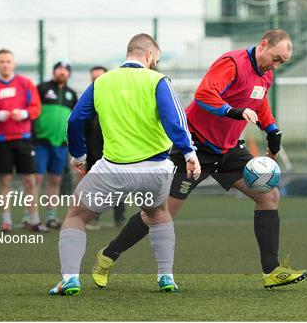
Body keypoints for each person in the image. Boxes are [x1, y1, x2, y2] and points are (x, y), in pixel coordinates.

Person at [91, 29, 307, 289]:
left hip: (227, 150)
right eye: (276, 58)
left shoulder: (266, 75)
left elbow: (259, 104)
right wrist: (232, 111)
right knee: (159, 214)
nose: (277, 65)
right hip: (195, 148)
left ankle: (271, 270)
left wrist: (272, 129)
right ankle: (108, 255)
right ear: (263, 45)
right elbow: (204, 95)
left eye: (282, 62)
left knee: (269, 196)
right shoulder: (232, 64)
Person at [48, 33, 201, 295]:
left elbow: (74, 120)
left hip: (113, 170)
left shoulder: (102, 82)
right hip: (156, 169)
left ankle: (71, 278)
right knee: (158, 214)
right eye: (156, 60)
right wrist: (189, 153)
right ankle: (166, 277)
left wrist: (80, 156)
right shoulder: (158, 80)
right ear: (150, 56)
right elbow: (175, 120)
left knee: (75, 216)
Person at [0, 49, 46, 232]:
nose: (5, 64)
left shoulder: (25, 84)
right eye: (1, 61)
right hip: (2, 140)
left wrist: (25, 113)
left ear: (14, 63)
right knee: (5, 180)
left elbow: (36, 108)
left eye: (8, 61)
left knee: (29, 180)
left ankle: (34, 219)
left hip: (24, 139)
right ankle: (6, 220)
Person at [34, 61, 78, 229]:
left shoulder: (71, 94)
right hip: (41, 142)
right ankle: (31, 216)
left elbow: (75, 119)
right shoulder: (42, 88)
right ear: (53, 71)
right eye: (59, 69)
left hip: (61, 144)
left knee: (55, 180)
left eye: (66, 70)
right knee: (36, 179)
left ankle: (51, 216)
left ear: (69, 74)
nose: (62, 72)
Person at [84, 66, 127, 230]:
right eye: (93, 78)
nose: (96, 81)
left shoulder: (118, 99)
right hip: (93, 151)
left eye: (99, 78)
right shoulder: (87, 102)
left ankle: (119, 219)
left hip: (116, 150)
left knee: (119, 184)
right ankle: (94, 218)